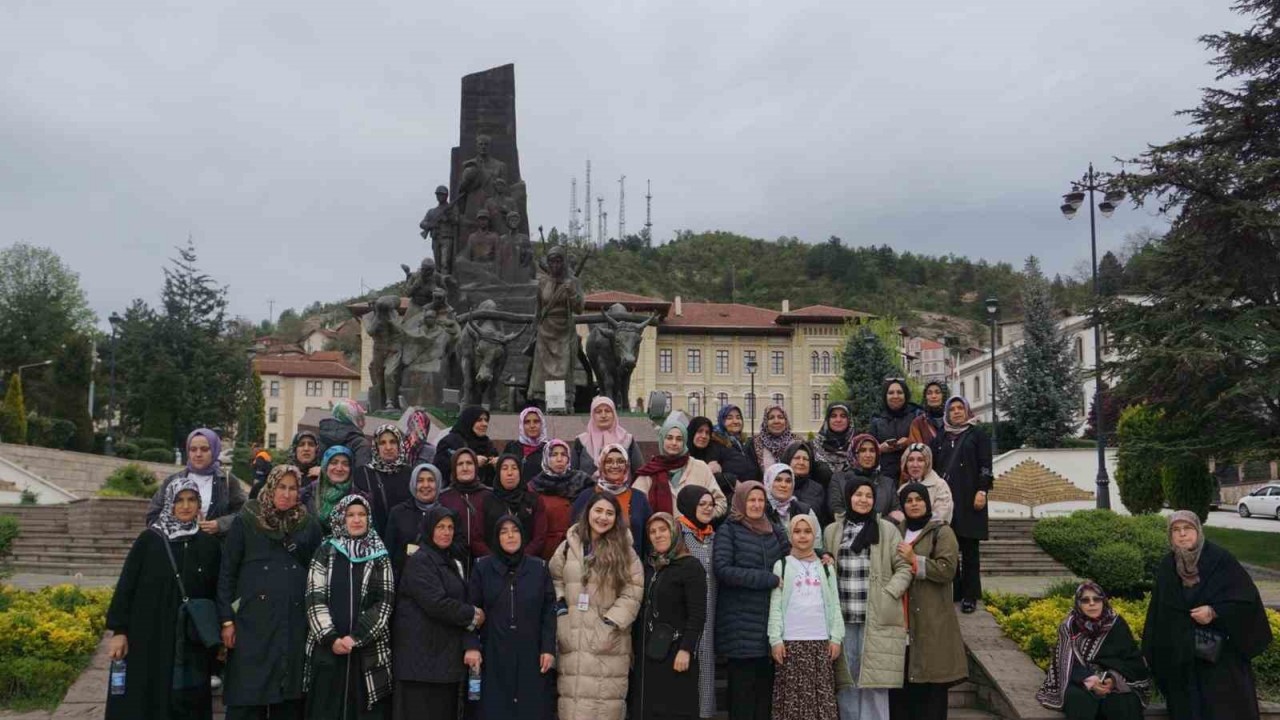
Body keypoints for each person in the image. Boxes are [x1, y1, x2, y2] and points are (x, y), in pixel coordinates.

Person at [106, 479, 222, 720]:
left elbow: (217, 592)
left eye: (191, 500)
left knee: (186, 699)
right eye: (179, 500)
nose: (185, 506)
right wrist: (119, 631)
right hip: (148, 638)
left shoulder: (208, 545)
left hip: (189, 641)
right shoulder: (150, 541)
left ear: (199, 504)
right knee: (147, 697)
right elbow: (127, 586)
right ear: (169, 503)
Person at [1143, 511, 1273, 720]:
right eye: (1176, 530)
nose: (1182, 534)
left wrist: (1214, 612)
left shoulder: (1219, 559)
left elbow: (1246, 600)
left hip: (1220, 657)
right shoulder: (1167, 566)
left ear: (1198, 531)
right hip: (1183, 658)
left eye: (1188, 529)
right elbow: (1160, 611)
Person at [218, 465, 323, 720]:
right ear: (271, 487)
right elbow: (227, 572)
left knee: (287, 699)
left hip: (292, 624)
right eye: (281, 487)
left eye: (293, 488)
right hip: (251, 623)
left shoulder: (308, 524)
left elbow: (317, 574)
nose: (286, 494)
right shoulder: (248, 519)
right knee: (247, 696)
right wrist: (226, 620)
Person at [550, 492, 645, 720]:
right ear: (588, 513)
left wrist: (610, 623)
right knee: (572, 703)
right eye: (598, 511)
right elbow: (554, 580)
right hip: (571, 635)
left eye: (610, 513)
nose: (603, 517)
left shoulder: (625, 549)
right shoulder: (568, 546)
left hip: (608, 640)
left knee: (604, 706)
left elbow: (634, 589)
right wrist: (562, 610)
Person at [824, 477, 913, 720]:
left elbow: (904, 567)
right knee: (847, 678)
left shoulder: (886, 529)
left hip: (877, 615)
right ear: (848, 497)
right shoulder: (833, 530)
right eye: (858, 494)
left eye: (868, 496)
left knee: (875, 679)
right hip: (843, 616)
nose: (863, 500)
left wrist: (889, 593)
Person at [303, 495, 394, 720]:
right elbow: (315, 597)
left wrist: (356, 637)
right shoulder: (326, 550)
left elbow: (385, 601)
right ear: (340, 519)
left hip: (367, 651)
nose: (356, 520)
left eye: (362, 515)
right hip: (328, 650)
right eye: (350, 515)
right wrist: (331, 638)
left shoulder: (380, 554)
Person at [391, 506, 477, 720]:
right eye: (440, 527)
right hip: (420, 667)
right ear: (429, 529)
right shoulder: (420, 560)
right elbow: (436, 603)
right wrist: (472, 614)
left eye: (450, 527)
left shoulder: (449, 561)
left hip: (440, 662)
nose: (446, 532)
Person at [889, 482, 967, 720]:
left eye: (918, 499)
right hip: (901, 620)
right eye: (909, 500)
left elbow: (947, 570)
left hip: (932, 620)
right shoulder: (896, 532)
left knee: (931, 692)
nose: (914, 504)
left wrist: (915, 560)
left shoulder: (941, 531)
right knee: (902, 690)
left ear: (927, 502)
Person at [468, 513, 557, 720]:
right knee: (494, 708)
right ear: (496, 538)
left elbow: (548, 611)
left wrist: (548, 648)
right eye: (504, 532)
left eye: (515, 531)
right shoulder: (483, 567)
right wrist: (471, 645)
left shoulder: (538, 568)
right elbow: (470, 610)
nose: (510, 536)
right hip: (493, 652)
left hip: (531, 652)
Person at [714, 481, 790, 720]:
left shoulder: (774, 529)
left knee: (764, 693)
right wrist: (767, 579)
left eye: (760, 500)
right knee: (742, 694)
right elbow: (723, 569)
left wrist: (821, 555)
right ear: (741, 501)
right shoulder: (729, 529)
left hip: (768, 622)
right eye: (751, 500)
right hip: (740, 624)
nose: (756, 505)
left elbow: (793, 553)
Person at [768, 514, 845, 720]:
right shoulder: (782, 565)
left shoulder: (826, 566)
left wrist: (836, 637)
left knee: (821, 701)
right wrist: (775, 639)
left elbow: (835, 604)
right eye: (797, 531)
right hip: (790, 645)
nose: (802, 536)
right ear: (790, 535)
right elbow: (775, 606)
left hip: (820, 644)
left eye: (808, 531)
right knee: (792, 701)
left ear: (815, 535)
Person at [1037, 581, 1150, 720]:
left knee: (1125, 702)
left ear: (1103, 601)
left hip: (1113, 679)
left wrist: (1112, 680)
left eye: (1096, 599)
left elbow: (1131, 659)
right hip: (1080, 679)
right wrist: (1090, 680)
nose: (1092, 603)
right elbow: (1064, 662)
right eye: (1085, 600)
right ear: (1078, 604)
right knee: (1079, 700)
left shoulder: (1116, 623)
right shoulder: (1069, 626)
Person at [633, 513, 708, 720]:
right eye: (653, 531)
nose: (658, 535)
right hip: (652, 651)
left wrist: (686, 649)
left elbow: (698, 614)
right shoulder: (652, 566)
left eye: (663, 530)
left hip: (677, 652)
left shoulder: (690, 566)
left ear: (674, 532)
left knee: (676, 709)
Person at [930, 395, 992, 613]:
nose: (956, 412)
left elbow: (986, 465)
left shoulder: (978, 435)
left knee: (970, 549)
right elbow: (934, 468)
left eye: (960, 408)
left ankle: (970, 595)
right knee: (948, 547)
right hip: (947, 502)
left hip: (970, 499)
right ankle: (954, 590)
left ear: (967, 411)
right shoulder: (941, 437)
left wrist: (982, 490)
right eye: (952, 409)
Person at [146, 428, 247, 536]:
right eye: (193, 449)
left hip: (215, 549)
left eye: (204, 449)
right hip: (177, 549)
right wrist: (177, 527)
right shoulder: (173, 481)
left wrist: (220, 524)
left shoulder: (227, 481)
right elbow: (153, 516)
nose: (198, 454)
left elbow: (245, 514)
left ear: (214, 450)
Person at [675, 486, 719, 719]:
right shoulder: (676, 532)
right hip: (682, 613)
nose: (707, 508)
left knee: (705, 669)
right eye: (701, 504)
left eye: (710, 504)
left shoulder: (713, 535)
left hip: (709, 614)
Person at [634, 418, 728, 519]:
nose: (674, 443)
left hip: (695, 534)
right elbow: (636, 507)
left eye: (679, 439)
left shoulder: (700, 467)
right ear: (661, 439)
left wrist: (702, 518)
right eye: (669, 438)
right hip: (660, 533)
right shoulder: (649, 472)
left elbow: (720, 502)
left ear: (685, 442)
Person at [574, 443, 654, 558]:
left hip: (630, 567)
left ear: (627, 465)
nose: (615, 465)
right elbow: (576, 534)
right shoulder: (586, 497)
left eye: (620, 461)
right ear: (601, 464)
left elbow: (648, 541)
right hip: (592, 567)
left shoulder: (639, 499)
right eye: (609, 461)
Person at [527, 438, 594, 559]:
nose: (559, 459)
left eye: (563, 455)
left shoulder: (582, 482)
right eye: (554, 455)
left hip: (579, 546)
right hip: (547, 550)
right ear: (546, 458)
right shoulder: (535, 486)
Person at [438, 447, 496, 567]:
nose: (465, 468)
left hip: (486, 564)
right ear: (454, 468)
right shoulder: (444, 497)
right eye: (460, 464)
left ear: (476, 466)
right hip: (453, 565)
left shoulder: (490, 495)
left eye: (469, 463)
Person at [384, 463, 442, 580]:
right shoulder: (398, 513)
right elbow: (389, 553)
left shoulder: (447, 513)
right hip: (405, 582)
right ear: (413, 484)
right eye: (420, 480)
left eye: (431, 480)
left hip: (439, 582)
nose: (425, 485)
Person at [354, 424, 413, 539]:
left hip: (403, 542)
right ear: (376, 446)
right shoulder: (363, 474)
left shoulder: (410, 473)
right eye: (382, 443)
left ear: (400, 445)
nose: (388, 447)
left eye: (393, 442)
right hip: (374, 542)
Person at [829, 433, 901, 522]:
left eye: (872, 450)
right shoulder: (839, 479)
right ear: (854, 453)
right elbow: (837, 511)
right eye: (862, 450)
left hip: (881, 534)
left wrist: (875, 526)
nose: (868, 455)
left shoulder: (888, 483)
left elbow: (898, 515)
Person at [572, 396, 645, 477]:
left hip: (622, 489)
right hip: (587, 489)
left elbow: (640, 473)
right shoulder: (581, 441)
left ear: (613, 414)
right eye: (598, 412)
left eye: (607, 411)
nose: (603, 415)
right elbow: (573, 475)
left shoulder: (627, 440)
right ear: (592, 415)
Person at [868, 379, 921, 483]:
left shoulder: (916, 415)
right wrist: (880, 449)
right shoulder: (877, 419)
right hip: (885, 478)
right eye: (891, 393)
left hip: (912, 475)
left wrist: (908, 442)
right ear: (885, 396)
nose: (895, 396)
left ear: (905, 395)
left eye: (899, 392)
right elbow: (869, 449)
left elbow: (926, 444)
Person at [433, 406, 499, 487]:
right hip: (455, 493)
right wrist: (472, 461)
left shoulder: (487, 444)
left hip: (484, 495)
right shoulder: (450, 442)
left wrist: (498, 464)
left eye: (486, 420)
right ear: (468, 421)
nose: (485, 424)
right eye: (479, 420)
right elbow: (439, 467)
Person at [762, 463, 823, 548]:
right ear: (768, 483)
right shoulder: (761, 510)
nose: (783, 485)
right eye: (778, 480)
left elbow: (816, 544)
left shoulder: (804, 510)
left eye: (788, 481)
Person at [302, 445, 357, 531]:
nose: (339, 468)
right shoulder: (307, 494)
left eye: (345, 464)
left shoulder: (359, 497)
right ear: (325, 466)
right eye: (334, 463)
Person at [687, 415, 740, 500]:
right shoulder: (683, 454)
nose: (704, 436)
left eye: (707, 432)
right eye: (700, 431)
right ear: (692, 432)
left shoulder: (716, 450)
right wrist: (706, 470)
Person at [899, 443, 954, 524]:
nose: (915, 465)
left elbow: (941, 516)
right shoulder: (902, 489)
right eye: (910, 460)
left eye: (920, 460)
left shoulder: (939, 485)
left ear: (927, 463)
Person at [780, 440, 832, 524]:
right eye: (797, 458)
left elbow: (824, 519)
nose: (801, 462)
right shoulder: (778, 485)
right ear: (788, 460)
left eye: (805, 459)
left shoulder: (818, 489)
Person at [485, 453, 536, 537]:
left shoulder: (532, 500)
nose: (509, 473)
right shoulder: (488, 500)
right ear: (498, 473)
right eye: (504, 468)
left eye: (514, 468)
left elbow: (538, 535)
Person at [711, 404, 761, 485]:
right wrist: (734, 482)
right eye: (729, 418)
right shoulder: (716, 443)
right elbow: (715, 475)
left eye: (738, 417)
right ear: (722, 421)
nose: (735, 421)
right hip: (730, 494)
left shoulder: (744, 443)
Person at [503, 406, 551, 483]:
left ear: (542, 424)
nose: (532, 426)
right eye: (527, 422)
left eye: (536, 421)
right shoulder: (512, 447)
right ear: (522, 425)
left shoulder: (549, 448)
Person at [318, 399, 372, 467]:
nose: (363, 424)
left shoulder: (320, 437)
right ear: (351, 418)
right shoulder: (360, 443)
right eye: (360, 418)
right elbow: (362, 472)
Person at [814, 402, 857, 477]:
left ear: (849, 419)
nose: (838, 420)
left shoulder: (858, 445)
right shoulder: (815, 446)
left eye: (843, 416)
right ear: (827, 419)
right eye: (833, 416)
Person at [752, 404, 798, 470]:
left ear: (786, 421)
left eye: (780, 417)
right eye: (771, 418)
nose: (776, 421)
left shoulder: (797, 442)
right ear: (766, 422)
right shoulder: (754, 444)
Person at [908, 381, 948, 447]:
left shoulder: (953, 420)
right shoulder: (918, 423)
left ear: (944, 395)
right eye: (929, 393)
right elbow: (916, 450)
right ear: (925, 397)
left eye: (937, 392)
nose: (933, 396)